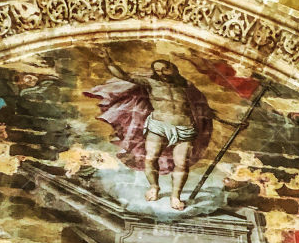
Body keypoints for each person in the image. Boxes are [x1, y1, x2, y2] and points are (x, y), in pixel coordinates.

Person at [86, 55, 214, 210]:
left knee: (181, 164)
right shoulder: (151, 83)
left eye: (165, 68)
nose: (162, 73)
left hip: (185, 129)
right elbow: (123, 75)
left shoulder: (187, 86)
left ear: (173, 68)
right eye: (158, 70)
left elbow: (203, 108)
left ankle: (175, 196)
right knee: (150, 158)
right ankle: (154, 187)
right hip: (158, 126)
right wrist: (108, 59)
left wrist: (231, 123)